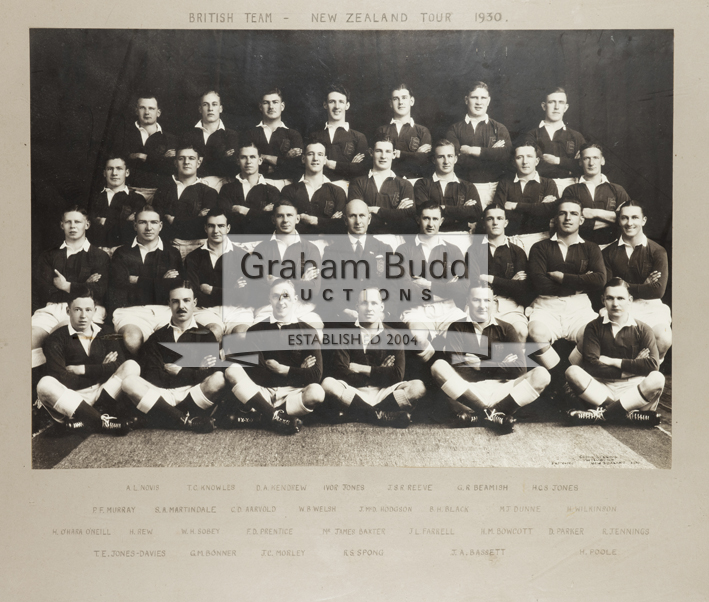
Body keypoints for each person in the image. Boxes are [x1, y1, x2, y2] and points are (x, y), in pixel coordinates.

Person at [430, 283, 551, 432]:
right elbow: (458, 369)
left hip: (502, 390)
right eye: (476, 300)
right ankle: (494, 414)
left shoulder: (507, 328)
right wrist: (501, 363)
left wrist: (481, 365)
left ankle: (480, 415)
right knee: (438, 366)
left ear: (493, 302)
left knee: (542, 375)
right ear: (467, 301)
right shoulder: (457, 327)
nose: (482, 306)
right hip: (469, 391)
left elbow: (519, 369)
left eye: (486, 300)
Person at [120, 280, 225, 433]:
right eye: (175, 301)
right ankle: (184, 419)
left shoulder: (206, 335)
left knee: (219, 379)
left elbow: (210, 372)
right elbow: (151, 375)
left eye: (186, 301)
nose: (181, 306)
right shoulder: (157, 337)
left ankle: (160, 416)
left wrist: (180, 372)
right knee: (129, 382)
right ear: (168, 303)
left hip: (191, 391)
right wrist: (196, 370)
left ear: (194, 303)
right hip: (162, 394)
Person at [223, 279, 325, 434]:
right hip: (262, 391)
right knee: (232, 370)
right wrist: (298, 370)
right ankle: (274, 416)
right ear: (269, 299)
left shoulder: (309, 331)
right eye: (276, 296)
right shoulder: (256, 330)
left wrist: (283, 369)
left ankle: (260, 416)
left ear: (295, 300)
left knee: (317, 392)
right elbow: (258, 375)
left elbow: (316, 375)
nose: (281, 301)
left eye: (286, 296)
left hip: (292, 392)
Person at [36, 285, 139, 435]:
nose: (83, 316)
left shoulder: (107, 331)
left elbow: (120, 364)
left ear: (95, 311)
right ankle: (102, 421)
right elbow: (62, 379)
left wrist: (84, 369)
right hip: (73, 397)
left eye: (88, 310)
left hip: (101, 391)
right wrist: (102, 368)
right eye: (77, 310)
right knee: (44, 384)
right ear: (68, 311)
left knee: (132, 365)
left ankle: (87, 419)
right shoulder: (55, 339)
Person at [565, 278, 664, 426]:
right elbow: (592, 365)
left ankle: (602, 414)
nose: (615, 304)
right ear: (603, 300)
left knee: (657, 378)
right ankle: (626, 413)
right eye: (610, 298)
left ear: (630, 300)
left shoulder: (643, 329)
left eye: (620, 298)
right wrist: (634, 366)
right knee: (572, 371)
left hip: (633, 388)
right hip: (603, 387)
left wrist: (613, 361)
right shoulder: (593, 327)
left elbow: (652, 365)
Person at [321, 288, 427, 428]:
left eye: (374, 303)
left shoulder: (394, 335)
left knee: (418, 387)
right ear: (357, 307)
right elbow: (341, 372)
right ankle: (379, 414)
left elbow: (397, 375)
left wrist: (361, 368)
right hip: (355, 390)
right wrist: (379, 372)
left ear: (381, 307)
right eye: (364, 303)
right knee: (328, 383)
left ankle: (356, 412)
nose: (369, 308)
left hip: (384, 392)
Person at [527, 198, 606, 375]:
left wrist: (562, 278)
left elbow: (600, 279)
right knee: (535, 332)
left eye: (573, 214)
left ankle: (569, 377)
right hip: (547, 306)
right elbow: (539, 283)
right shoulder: (540, 247)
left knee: (591, 335)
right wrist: (580, 282)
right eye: (563, 213)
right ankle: (559, 376)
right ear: (555, 218)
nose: (568, 218)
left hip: (578, 307)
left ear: (581, 220)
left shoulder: (591, 248)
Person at [32, 207, 109, 369]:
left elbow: (98, 291)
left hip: (86, 310)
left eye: (78, 222)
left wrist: (66, 285)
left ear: (87, 225)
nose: (73, 226)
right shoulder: (48, 255)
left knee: (67, 338)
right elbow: (45, 291)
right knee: (28, 341)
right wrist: (84, 285)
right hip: (53, 309)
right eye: (68, 222)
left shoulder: (99, 256)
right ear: (62, 225)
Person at [397, 202, 470, 363]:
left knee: (467, 341)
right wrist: (446, 288)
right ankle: (437, 361)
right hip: (417, 309)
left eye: (435, 219)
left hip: (448, 309)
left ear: (441, 221)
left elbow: (464, 287)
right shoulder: (404, 249)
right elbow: (405, 288)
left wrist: (428, 285)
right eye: (426, 218)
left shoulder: (453, 250)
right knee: (418, 337)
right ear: (418, 220)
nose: (431, 224)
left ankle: (443, 359)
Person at [108, 205, 183, 355]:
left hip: (165, 310)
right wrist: (160, 282)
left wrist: (136, 280)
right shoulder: (122, 252)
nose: (148, 227)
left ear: (160, 226)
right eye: (143, 222)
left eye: (154, 222)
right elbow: (120, 286)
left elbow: (174, 288)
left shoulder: (172, 253)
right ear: (135, 225)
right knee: (132, 339)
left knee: (176, 342)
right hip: (130, 310)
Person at [602, 201, 671, 361]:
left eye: (635, 217)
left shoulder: (657, 251)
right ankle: (629, 376)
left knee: (664, 338)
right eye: (625, 218)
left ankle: (648, 375)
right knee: (617, 340)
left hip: (650, 306)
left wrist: (622, 285)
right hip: (618, 305)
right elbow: (608, 289)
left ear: (643, 220)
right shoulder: (607, 253)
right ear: (619, 220)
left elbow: (657, 291)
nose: (629, 223)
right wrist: (644, 285)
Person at [249, 199, 322, 326]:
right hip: (270, 307)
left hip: (301, 308)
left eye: (289, 215)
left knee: (316, 330)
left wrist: (276, 281)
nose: (285, 220)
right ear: (273, 219)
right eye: (280, 216)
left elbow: (314, 289)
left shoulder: (310, 249)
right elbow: (257, 287)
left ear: (297, 219)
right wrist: (301, 282)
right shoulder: (262, 249)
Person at [319, 199, 393, 325]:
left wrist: (384, 313)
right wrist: (343, 310)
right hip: (344, 316)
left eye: (362, 216)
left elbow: (393, 285)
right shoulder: (332, 251)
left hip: (378, 315)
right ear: (345, 220)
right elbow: (328, 287)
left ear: (369, 219)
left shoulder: (384, 249)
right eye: (353, 216)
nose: (358, 221)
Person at [184, 208, 254, 339]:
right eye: (211, 226)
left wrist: (211, 290)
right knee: (214, 332)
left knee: (241, 334)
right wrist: (231, 290)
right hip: (206, 310)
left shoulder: (242, 256)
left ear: (228, 228)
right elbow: (194, 295)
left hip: (237, 310)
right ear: (205, 228)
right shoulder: (193, 257)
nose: (216, 231)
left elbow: (245, 296)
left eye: (221, 226)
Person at [445, 82, 512, 207]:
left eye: (483, 98)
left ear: (489, 101)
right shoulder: (454, 129)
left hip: (493, 189)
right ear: (466, 100)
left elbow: (505, 157)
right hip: (462, 188)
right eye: (474, 97)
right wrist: (491, 153)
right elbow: (456, 160)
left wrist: (471, 150)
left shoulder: (499, 128)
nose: (479, 102)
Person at [472, 203, 530, 341]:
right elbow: (474, 283)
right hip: (482, 303)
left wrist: (490, 278)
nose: (495, 222)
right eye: (490, 218)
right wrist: (510, 283)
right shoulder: (474, 250)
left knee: (521, 331)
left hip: (510, 305)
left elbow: (523, 289)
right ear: (484, 222)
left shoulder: (517, 251)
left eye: (499, 218)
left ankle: (516, 363)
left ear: (506, 222)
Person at [152, 143, 219, 256]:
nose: (186, 162)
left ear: (199, 162)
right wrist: (193, 218)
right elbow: (156, 224)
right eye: (181, 158)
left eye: (191, 158)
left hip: (198, 250)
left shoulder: (209, 192)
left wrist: (173, 220)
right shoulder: (163, 190)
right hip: (165, 249)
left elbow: (203, 227)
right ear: (175, 162)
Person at [491, 141, 559, 254]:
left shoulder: (548, 183)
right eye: (519, 157)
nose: (525, 162)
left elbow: (549, 211)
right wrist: (538, 207)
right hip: (510, 240)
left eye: (529, 157)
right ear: (514, 162)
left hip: (541, 239)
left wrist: (516, 206)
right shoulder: (505, 183)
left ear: (536, 161)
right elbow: (498, 213)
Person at [561, 143, 630, 246]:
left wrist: (594, 213)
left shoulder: (617, 190)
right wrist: (614, 220)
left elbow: (629, 218)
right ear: (580, 162)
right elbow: (570, 222)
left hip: (612, 248)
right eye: (586, 158)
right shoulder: (571, 191)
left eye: (595, 158)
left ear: (602, 161)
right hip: (579, 248)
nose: (591, 163)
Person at [347, 133, 417, 234]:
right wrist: (395, 213)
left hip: (396, 239)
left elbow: (408, 219)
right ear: (371, 152)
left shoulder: (405, 184)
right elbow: (357, 219)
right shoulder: (358, 182)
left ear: (393, 154)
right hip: (366, 239)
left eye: (388, 151)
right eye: (379, 151)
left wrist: (377, 210)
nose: (383, 156)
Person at [524, 87, 586, 195]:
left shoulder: (576, 136)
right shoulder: (532, 135)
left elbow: (583, 165)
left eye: (561, 102)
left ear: (566, 107)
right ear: (544, 106)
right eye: (552, 102)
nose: (556, 107)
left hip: (572, 188)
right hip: (541, 188)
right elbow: (536, 166)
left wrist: (558, 160)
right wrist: (570, 168)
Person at [413, 139, 482, 232]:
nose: (446, 161)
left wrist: (443, 208)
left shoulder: (468, 186)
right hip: (432, 235)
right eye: (441, 157)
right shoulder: (422, 184)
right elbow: (425, 214)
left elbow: (476, 213)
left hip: (461, 236)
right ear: (434, 159)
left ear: (455, 159)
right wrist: (462, 211)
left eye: (450, 156)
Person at [280, 140, 347, 235]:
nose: (315, 158)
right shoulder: (289, 190)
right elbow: (285, 224)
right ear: (303, 159)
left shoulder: (338, 191)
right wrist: (327, 224)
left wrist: (312, 220)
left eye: (320, 154)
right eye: (310, 154)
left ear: (324, 160)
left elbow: (341, 226)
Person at [307, 84, 368, 185]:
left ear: (347, 105)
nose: (337, 107)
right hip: (318, 187)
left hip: (347, 188)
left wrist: (329, 164)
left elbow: (361, 170)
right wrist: (349, 166)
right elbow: (308, 166)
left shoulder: (358, 137)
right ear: (325, 105)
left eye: (341, 102)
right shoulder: (315, 136)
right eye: (332, 102)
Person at [243, 87, 304, 185]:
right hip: (255, 184)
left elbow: (297, 166)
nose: (271, 106)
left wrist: (264, 157)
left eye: (275, 102)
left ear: (282, 106)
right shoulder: (250, 133)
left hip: (286, 185)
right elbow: (245, 163)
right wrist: (284, 158)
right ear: (260, 106)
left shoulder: (293, 134)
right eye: (266, 103)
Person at [217, 142, 281, 234]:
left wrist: (242, 210)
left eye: (252, 157)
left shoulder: (272, 191)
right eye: (243, 157)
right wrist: (262, 212)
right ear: (238, 161)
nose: (248, 161)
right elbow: (224, 221)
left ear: (260, 160)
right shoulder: (227, 189)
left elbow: (273, 223)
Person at [182, 90, 240, 189]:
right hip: (195, 185)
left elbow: (232, 167)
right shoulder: (188, 136)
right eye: (205, 104)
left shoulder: (231, 135)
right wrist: (221, 156)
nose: (210, 109)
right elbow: (185, 167)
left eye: (214, 104)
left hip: (225, 186)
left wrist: (201, 161)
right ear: (200, 109)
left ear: (220, 108)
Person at [122, 95, 176, 200]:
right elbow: (120, 160)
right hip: (128, 191)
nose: (147, 112)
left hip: (160, 193)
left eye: (151, 108)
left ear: (158, 112)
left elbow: (171, 167)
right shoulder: (124, 134)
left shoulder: (170, 138)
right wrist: (160, 159)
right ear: (136, 111)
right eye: (142, 108)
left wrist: (143, 157)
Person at [88, 154, 147, 250]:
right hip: (95, 251)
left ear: (127, 172)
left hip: (126, 252)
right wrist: (124, 221)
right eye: (110, 169)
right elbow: (90, 228)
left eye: (119, 168)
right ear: (104, 173)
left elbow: (135, 230)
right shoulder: (93, 198)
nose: (114, 173)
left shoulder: (137, 199)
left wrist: (104, 221)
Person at [374, 83, 432, 180]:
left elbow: (424, 160)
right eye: (396, 99)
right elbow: (378, 160)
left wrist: (399, 154)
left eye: (404, 98)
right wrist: (415, 155)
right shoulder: (382, 130)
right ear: (390, 103)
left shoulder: (422, 131)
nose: (400, 102)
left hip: (415, 181)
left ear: (412, 101)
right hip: (388, 181)